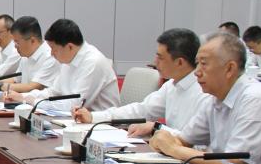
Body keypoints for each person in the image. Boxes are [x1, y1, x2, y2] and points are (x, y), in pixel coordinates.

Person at [150, 32, 261, 164]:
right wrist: (163, 141)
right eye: (197, 64)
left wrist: (173, 149)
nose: (196, 72)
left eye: (203, 64)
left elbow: (232, 162)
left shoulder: (255, 98)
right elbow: (183, 140)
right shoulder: (214, 98)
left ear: (230, 69)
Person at [73, 28, 209, 137]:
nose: (155, 62)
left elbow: (195, 141)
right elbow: (141, 110)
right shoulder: (171, 86)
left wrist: (157, 128)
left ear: (180, 62)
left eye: (160, 58)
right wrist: (93, 117)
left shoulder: (204, 92)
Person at [4, 18, 119, 111]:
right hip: (75, 121)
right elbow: (53, 92)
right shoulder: (68, 59)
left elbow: (75, 105)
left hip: (102, 125)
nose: (51, 53)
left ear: (69, 47)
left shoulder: (93, 62)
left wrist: (32, 101)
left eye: (54, 49)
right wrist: (22, 97)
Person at [0, 16, 61, 95]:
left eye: (17, 42)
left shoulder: (50, 56)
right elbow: (15, 79)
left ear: (32, 40)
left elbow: (32, 87)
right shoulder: (26, 55)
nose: (15, 46)